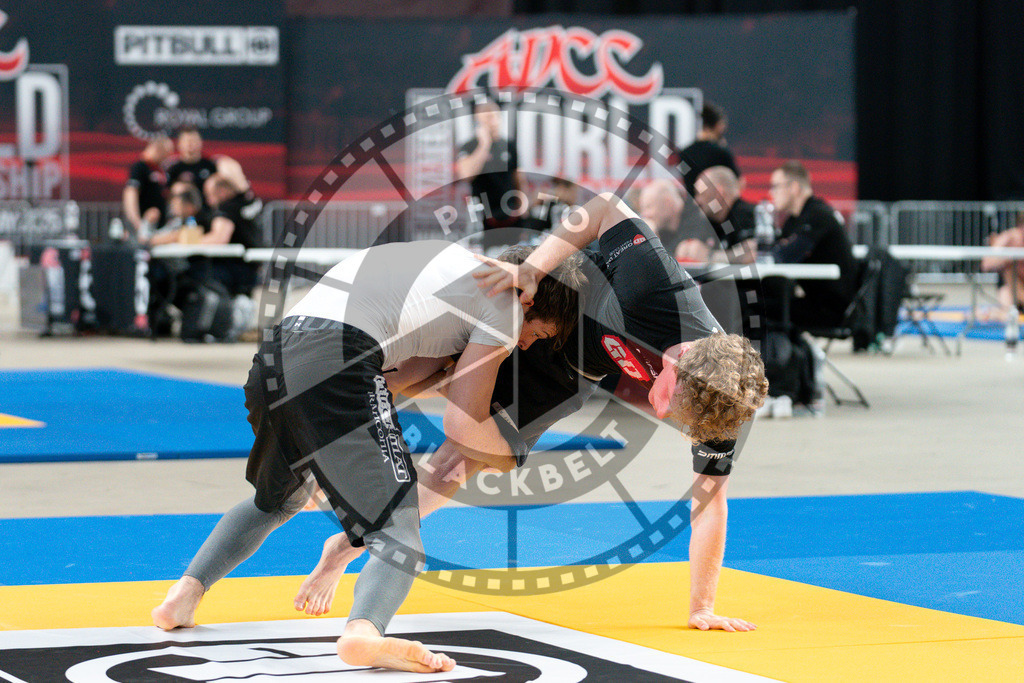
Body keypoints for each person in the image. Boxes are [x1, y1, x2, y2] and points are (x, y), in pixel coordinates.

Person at [293, 193, 768, 634]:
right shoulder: (658, 292)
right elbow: (604, 207)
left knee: (460, 460)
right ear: (679, 359)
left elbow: (710, 502)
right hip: (555, 296)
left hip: (571, 369)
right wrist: (534, 270)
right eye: (670, 401)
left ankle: (352, 542)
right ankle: (323, 437)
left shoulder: (722, 405)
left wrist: (701, 606)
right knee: (419, 369)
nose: (662, 413)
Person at [151, 242, 584, 674]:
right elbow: (464, 427)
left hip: (276, 355)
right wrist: (511, 456)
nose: (527, 346)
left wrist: (445, 380)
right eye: (540, 334)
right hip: (338, 359)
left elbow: (399, 378)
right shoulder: (507, 308)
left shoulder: (448, 259)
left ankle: (185, 594)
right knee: (399, 531)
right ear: (529, 300)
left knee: (278, 500)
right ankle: (364, 634)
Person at [767, 160, 858, 329]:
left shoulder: (818, 214)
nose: (771, 193)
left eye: (775, 186)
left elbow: (785, 255)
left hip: (831, 308)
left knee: (753, 307)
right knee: (761, 298)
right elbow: (776, 251)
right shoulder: (794, 219)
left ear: (793, 187)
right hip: (815, 300)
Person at [456, 98, 526, 253]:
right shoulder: (470, 146)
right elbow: (466, 174)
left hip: (511, 214)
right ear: (478, 121)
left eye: (495, 116)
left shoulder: (509, 145)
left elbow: (517, 177)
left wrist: (523, 203)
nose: (493, 121)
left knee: (515, 257)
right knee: (486, 260)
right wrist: (484, 144)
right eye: (487, 118)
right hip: (484, 216)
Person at [676, 166, 757, 265]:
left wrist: (709, 255)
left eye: (701, 194)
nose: (697, 201)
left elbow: (751, 254)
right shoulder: (715, 221)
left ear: (719, 192)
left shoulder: (748, 215)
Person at [202, 173, 264, 297]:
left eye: (210, 195)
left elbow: (219, 238)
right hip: (252, 266)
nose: (209, 201)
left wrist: (190, 240)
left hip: (233, 268)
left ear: (222, 191)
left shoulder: (227, 208)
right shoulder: (249, 202)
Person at [677, 102, 742, 198]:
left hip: (693, 208)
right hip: (718, 208)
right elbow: (738, 182)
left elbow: (687, 181)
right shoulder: (721, 153)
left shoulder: (684, 154)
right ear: (718, 125)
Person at [123, 136, 174, 241]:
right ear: (158, 150)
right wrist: (137, 223)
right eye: (166, 154)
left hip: (159, 229)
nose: (166, 158)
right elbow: (130, 194)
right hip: (144, 228)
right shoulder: (140, 167)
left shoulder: (160, 170)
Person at [981, 221, 1024, 322]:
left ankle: (988, 313)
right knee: (1009, 270)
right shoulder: (1009, 237)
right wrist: (1009, 256)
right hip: (1012, 287)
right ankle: (987, 313)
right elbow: (986, 263)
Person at [166, 126, 219, 194]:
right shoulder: (172, 169)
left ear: (200, 142)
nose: (190, 144)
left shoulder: (210, 166)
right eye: (186, 141)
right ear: (179, 144)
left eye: (193, 141)